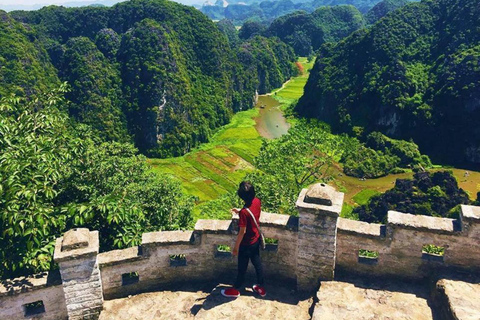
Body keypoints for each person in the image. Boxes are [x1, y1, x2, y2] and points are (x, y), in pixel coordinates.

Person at [221, 181, 266, 298]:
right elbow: (253, 212)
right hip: (255, 240)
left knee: (242, 268)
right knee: (257, 263)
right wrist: (241, 211)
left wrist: (236, 248)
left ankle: (236, 289)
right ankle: (260, 286)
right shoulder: (257, 201)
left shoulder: (244, 213)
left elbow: (242, 232)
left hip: (246, 244)